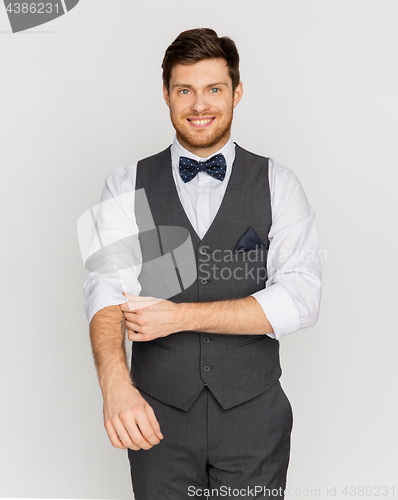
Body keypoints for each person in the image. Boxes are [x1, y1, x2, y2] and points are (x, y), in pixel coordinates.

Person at [83, 28, 322, 500]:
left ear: (236, 92)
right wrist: (115, 385)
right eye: (184, 90)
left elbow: (302, 299)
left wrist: (178, 317)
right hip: (157, 418)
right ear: (167, 95)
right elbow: (107, 288)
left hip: (253, 418)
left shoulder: (279, 184)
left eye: (213, 89)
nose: (199, 105)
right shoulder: (125, 184)